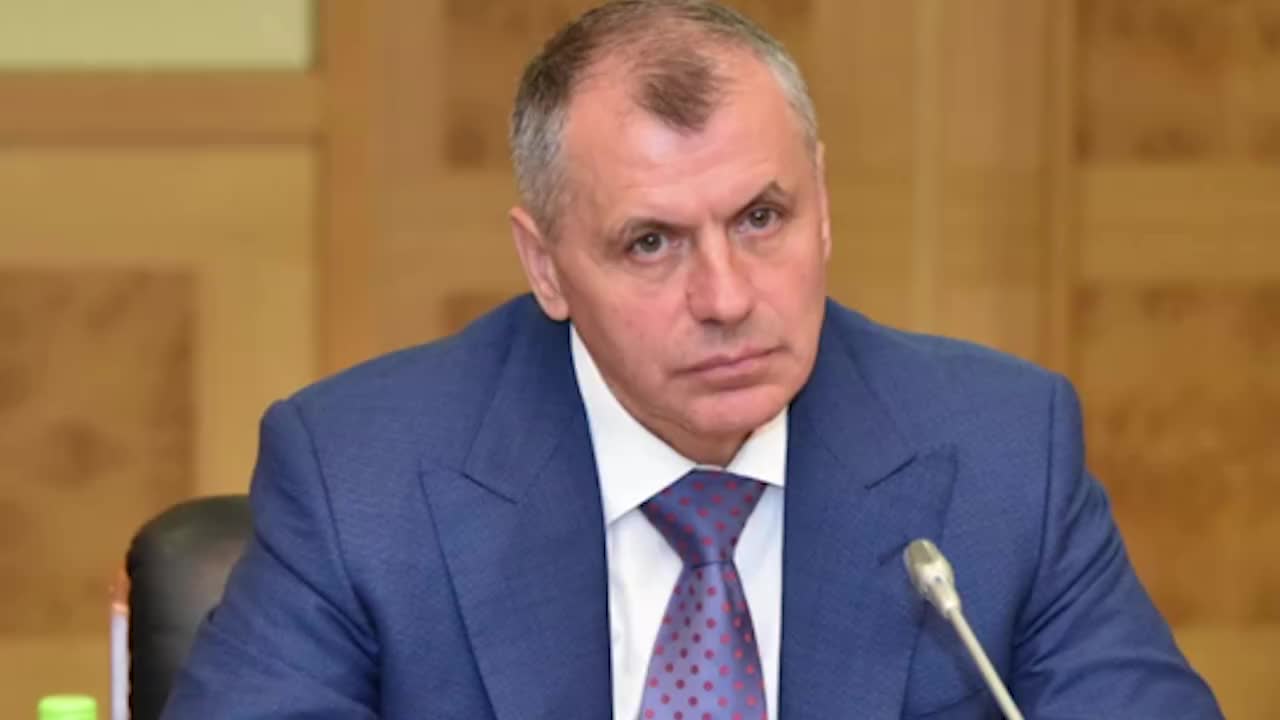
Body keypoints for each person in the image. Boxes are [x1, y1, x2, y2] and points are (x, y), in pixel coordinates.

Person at [163, 1, 1222, 718]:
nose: (725, 299)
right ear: (545, 266)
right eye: (649, 243)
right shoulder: (361, 476)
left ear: (821, 202)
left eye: (761, 218)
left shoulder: (1004, 455)